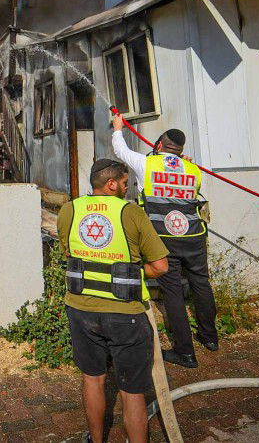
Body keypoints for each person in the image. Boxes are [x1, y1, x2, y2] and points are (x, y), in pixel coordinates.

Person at [57, 158, 169, 443]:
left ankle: (96, 440)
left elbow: (70, 255)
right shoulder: (131, 212)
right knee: (132, 391)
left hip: (81, 309)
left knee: (92, 379)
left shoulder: (69, 210)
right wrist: (129, 272)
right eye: (124, 183)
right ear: (111, 184)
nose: (127, 187)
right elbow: (160, 266)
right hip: (125, 313)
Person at [111, 112, 219, 369]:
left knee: (173, 292)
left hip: (164, 238)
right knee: (201, 284)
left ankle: (185, 353)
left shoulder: (147, 164)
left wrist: (117, 127)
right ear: (180, 150)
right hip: (193, 236)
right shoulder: (193, 169)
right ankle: (210, 338)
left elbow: (121, 150)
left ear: (159, 145)